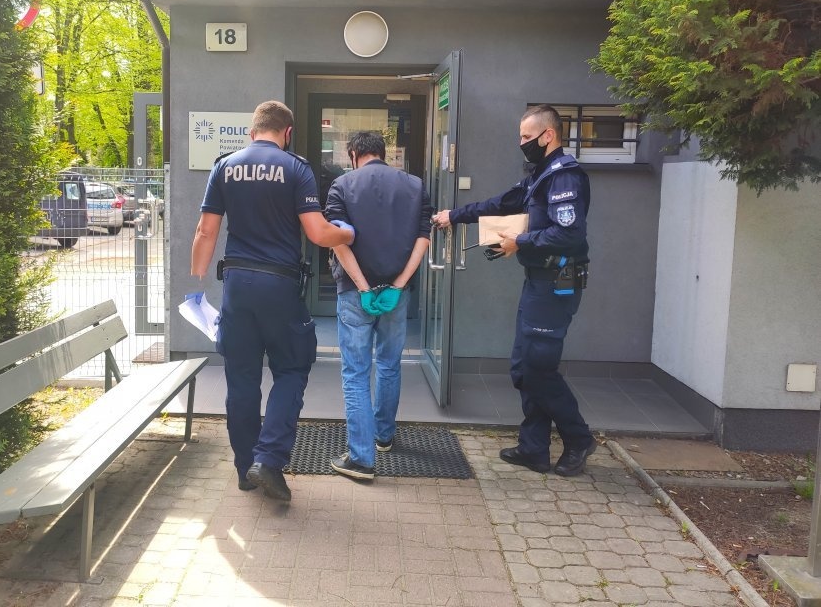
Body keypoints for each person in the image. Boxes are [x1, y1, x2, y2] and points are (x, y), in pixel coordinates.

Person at [191, 100, 355, 501]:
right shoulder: (296, 168)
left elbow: (205, 231)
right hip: (280, 286)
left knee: (241, 378)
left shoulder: (225, 166)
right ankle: (268, 460)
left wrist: (198, 277)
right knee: (292, 368)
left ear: (252, 132)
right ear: (288, 132)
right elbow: (318, 233)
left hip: (237, 285)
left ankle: (245, 469)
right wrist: (347, 233)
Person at [432, 104, 596, 477]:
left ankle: (579, 438)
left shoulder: (564, 177)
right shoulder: (540, 175)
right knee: (524, 367)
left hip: (557, 282)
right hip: (539, 280)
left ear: (548, 135)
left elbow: (569, 234)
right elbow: (503, 203)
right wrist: (455, 216)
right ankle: (534, 449)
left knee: (538, 367)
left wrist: (518, 241)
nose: (521, 143)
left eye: (526, 136)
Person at [324, 131, 432, 481]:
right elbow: (423, 238)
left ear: (353, 155)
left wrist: (363, 286)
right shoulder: (415, 186)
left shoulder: (342, 185)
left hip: (355, 292)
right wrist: (398, 285)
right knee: (389, 364)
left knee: (356, 372)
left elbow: (338, 241)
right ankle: (383, 436)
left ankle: (361, 458)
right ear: (383, 154)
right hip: (396, 294)